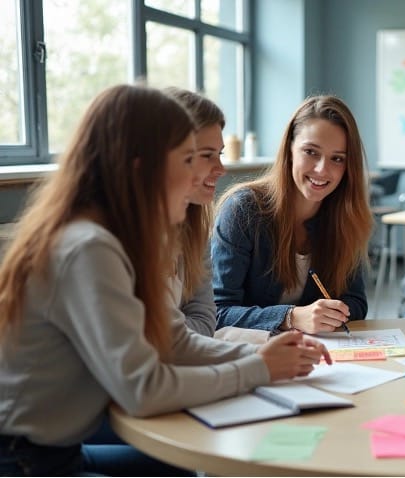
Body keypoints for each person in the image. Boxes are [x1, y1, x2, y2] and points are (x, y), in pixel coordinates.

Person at [0, 84, 331, 476]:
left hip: (57, 450)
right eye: (189, 159)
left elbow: (172, 339)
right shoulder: (89, 248)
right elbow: (144, 391)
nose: (198, 175)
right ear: (143, 167)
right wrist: (259, 368)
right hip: (27, 461)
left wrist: (270, 357)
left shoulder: (119, 238)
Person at [212, 95, 373, 335]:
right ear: (289, 150)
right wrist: (291, 317)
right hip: (252, 358)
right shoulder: (241, 211)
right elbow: (217, 312)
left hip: (316, 355)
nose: (322, 169)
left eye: (337, 158)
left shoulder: (346, 218)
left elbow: (357, 302)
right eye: (310, 152)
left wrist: (332, 313)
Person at [164, 87, 228, 336]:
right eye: (206, 155)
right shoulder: (115, 240)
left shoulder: (193, 228)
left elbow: (205, 319)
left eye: (219, 154)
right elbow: (150, 338)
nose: (221, 169)